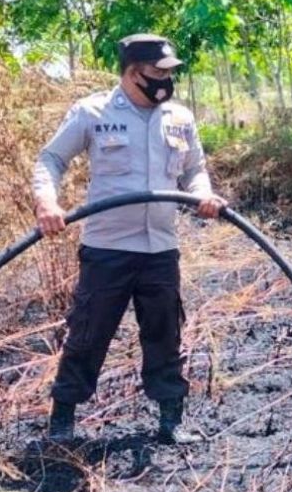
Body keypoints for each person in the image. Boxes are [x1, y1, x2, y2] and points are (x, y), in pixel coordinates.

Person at [32, 33, 227, 444]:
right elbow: (51, 158)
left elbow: (195, 169)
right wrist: (47, 203)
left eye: (169, 73)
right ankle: (63, 419)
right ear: (132, 72)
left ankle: (171, 418)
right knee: (89, 332)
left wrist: (202, 194)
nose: (165, 80)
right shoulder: (93, 112)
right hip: (107, 249)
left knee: (165, 333)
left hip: (160, 249)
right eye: (158, 72)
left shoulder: (180, 118)